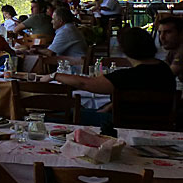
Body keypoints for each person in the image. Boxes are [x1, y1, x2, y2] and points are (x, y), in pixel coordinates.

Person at [39, 27, 175, 118]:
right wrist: (109, 107)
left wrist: (54, 75)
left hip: (121, 124)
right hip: (158, 122)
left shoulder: (127, 77)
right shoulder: (164, 69)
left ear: (125, 50)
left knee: (56, 116)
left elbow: (85, 83)